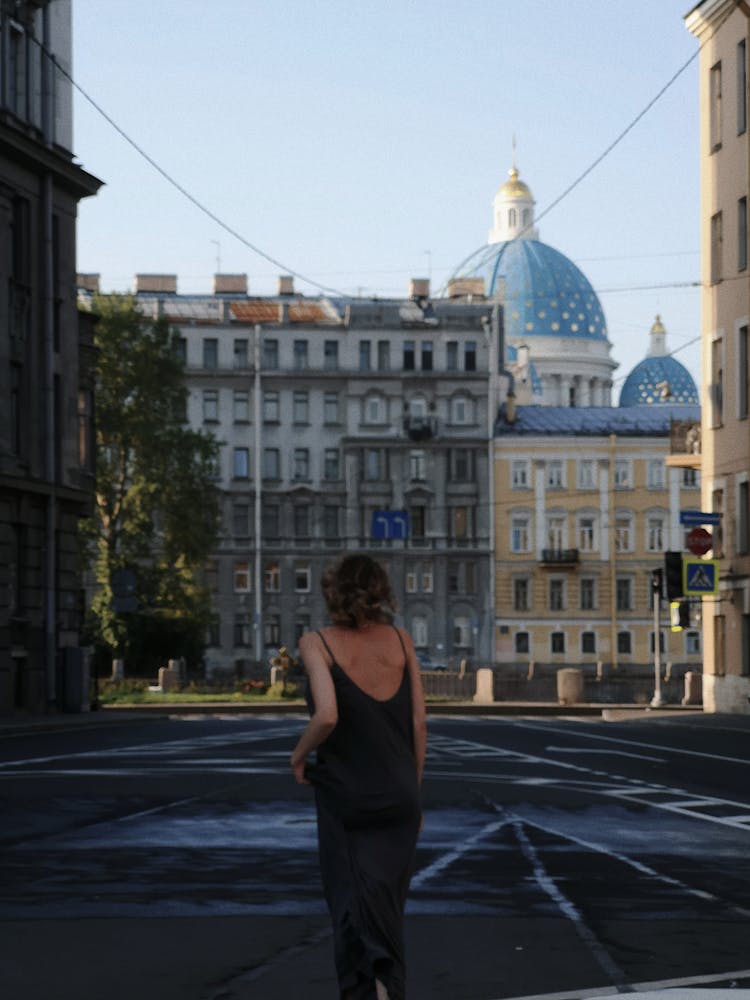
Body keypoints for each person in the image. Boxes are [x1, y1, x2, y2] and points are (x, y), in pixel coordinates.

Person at [291, 553, 427, 1000]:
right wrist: (415, 792)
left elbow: (327, 715)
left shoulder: (317, 643)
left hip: (347, 799)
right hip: (401, 798)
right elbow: (419, 725)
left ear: (333, 592)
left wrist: (298, 755)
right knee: (386, 916)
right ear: (380, 591)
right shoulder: (402, 640)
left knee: (352, 915)